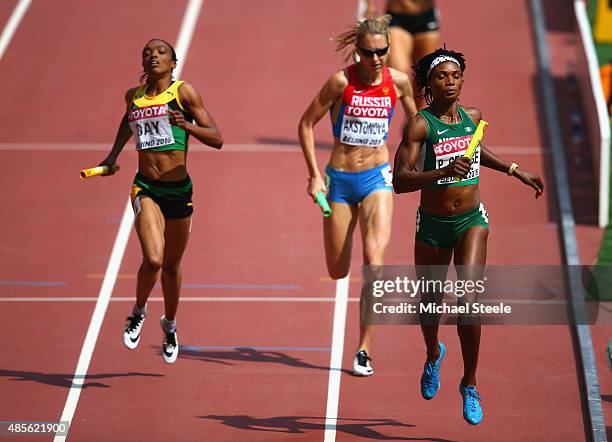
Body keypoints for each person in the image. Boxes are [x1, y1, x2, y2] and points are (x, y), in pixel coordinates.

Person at [393, 48, 544, 424]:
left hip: (471, 221)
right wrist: (441, 172)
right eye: (442, 77)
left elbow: (477, 152)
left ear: (462, 80)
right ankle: (432, 354)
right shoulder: (420, 125)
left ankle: (471, 383)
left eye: (455, 76)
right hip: (432, 225)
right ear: (429, 83)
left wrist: (514, 169)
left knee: (470, 301)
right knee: (429, 303)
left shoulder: (473, 117)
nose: (450, 82)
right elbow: (399, 180)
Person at [298, 15, 416, 376]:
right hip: (340, 181)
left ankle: (364, 348)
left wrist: (421, 158)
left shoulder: (398, 83)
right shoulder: (340, 82)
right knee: (337, 270)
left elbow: (418, 125)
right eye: (369, 52)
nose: (377, 59)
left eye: (383, 51)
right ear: (357, 51)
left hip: (377, 178)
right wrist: (315, 176)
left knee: (374, 262)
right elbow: (305, 124)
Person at [99, 38, 223, 363]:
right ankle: (138, 311)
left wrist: (188, 126)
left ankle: (169, 324)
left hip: (179, 191)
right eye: (147, 53)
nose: (153, 55)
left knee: (171, 266)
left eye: (161, 52)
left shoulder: (184, 94)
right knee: (153, 259)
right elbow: (127, 123)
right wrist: (112, 156)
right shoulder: (134, 97)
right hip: (146, 188)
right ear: (143, 64)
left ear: (173, 63)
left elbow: (218, 138)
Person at [365, 1, 441, 89]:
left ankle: (413, 103)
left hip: (427, 18)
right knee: (398, 71)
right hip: (397, 19)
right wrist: (368, 5)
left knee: (425, 75)